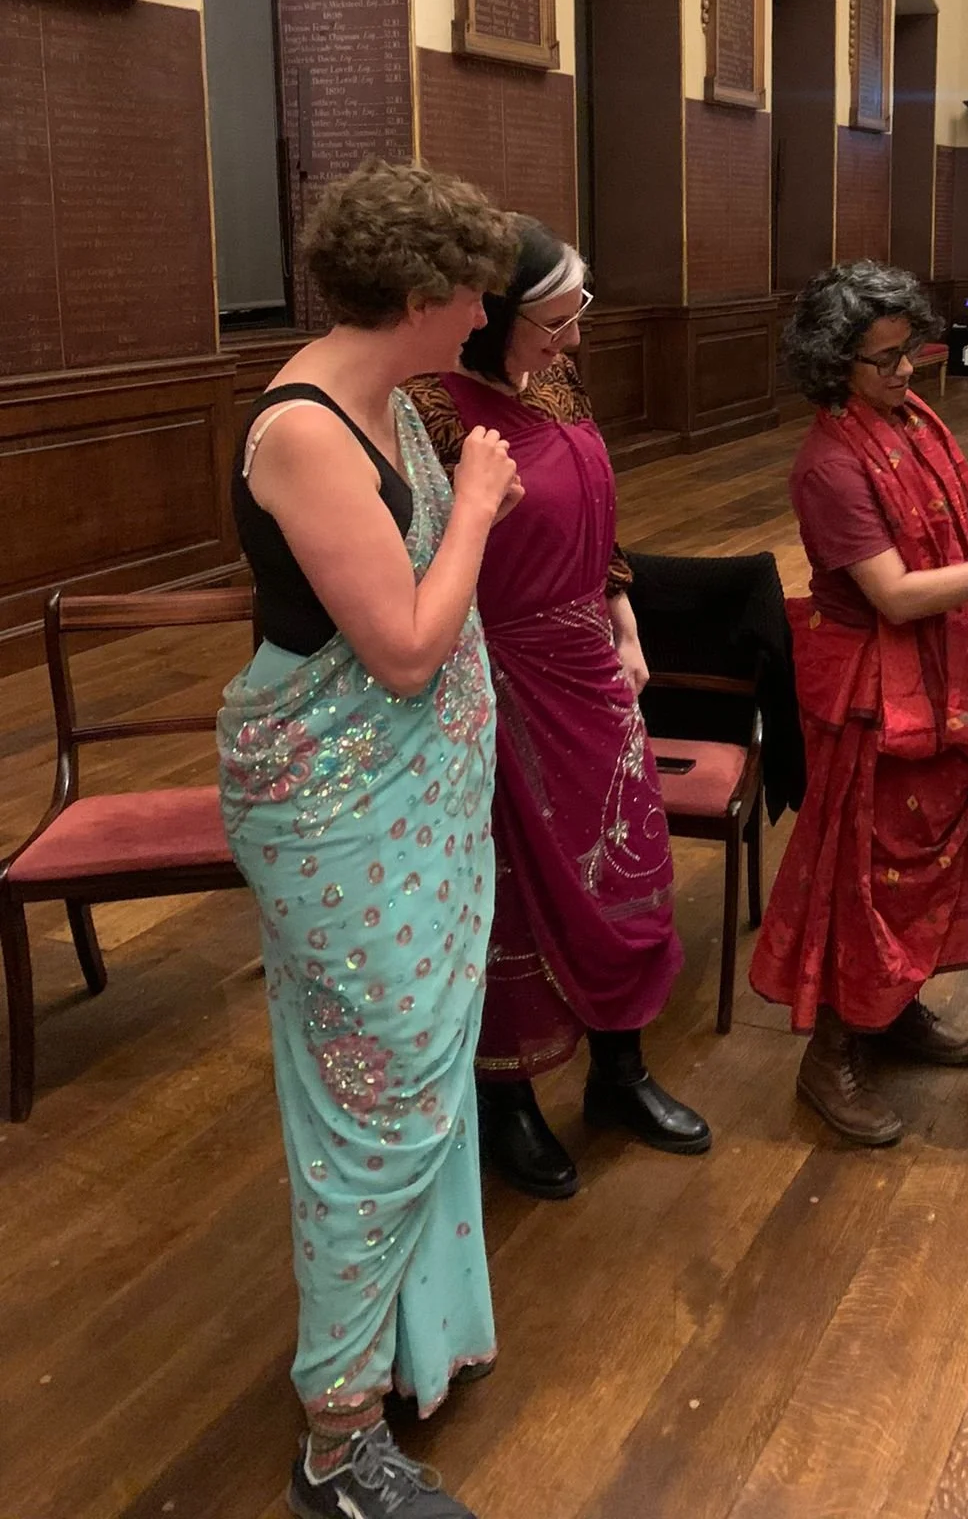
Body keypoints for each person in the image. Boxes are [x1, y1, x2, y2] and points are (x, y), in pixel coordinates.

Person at [218, 164, 522, 1519]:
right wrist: (472, 506)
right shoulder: (303, 431)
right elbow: (401, 650)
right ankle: (336, 1445)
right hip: (339, 811)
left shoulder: (387, 394)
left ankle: (401, 1342)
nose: (480, 319)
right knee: (381, 1101)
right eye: (467, 296)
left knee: (406, 1079)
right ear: (416, 296)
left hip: (406, 807)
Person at [407, 217, 708, 1201]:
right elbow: (423, 564)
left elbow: (597, 511)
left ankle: (620, 1073)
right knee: (514, 893)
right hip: (493, 676)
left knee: (627, 862)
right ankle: (510, 1104)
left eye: (578, 313)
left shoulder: (561, 382)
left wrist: (623, 616)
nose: (573, 338)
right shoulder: (430, 409)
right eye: (553, 319)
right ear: (490, 316)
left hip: (588, 658)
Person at [749, 261, 968, 1146]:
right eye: (885, 359)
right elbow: (894, 595)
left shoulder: (913, 417)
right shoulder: (829, 465)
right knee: (865, 873)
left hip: (942, 675)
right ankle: (832, 1054)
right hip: (872, 692)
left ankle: (889, 1011)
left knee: (928, 861)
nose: (907, 372)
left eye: (910, 351)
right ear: (833, 363)